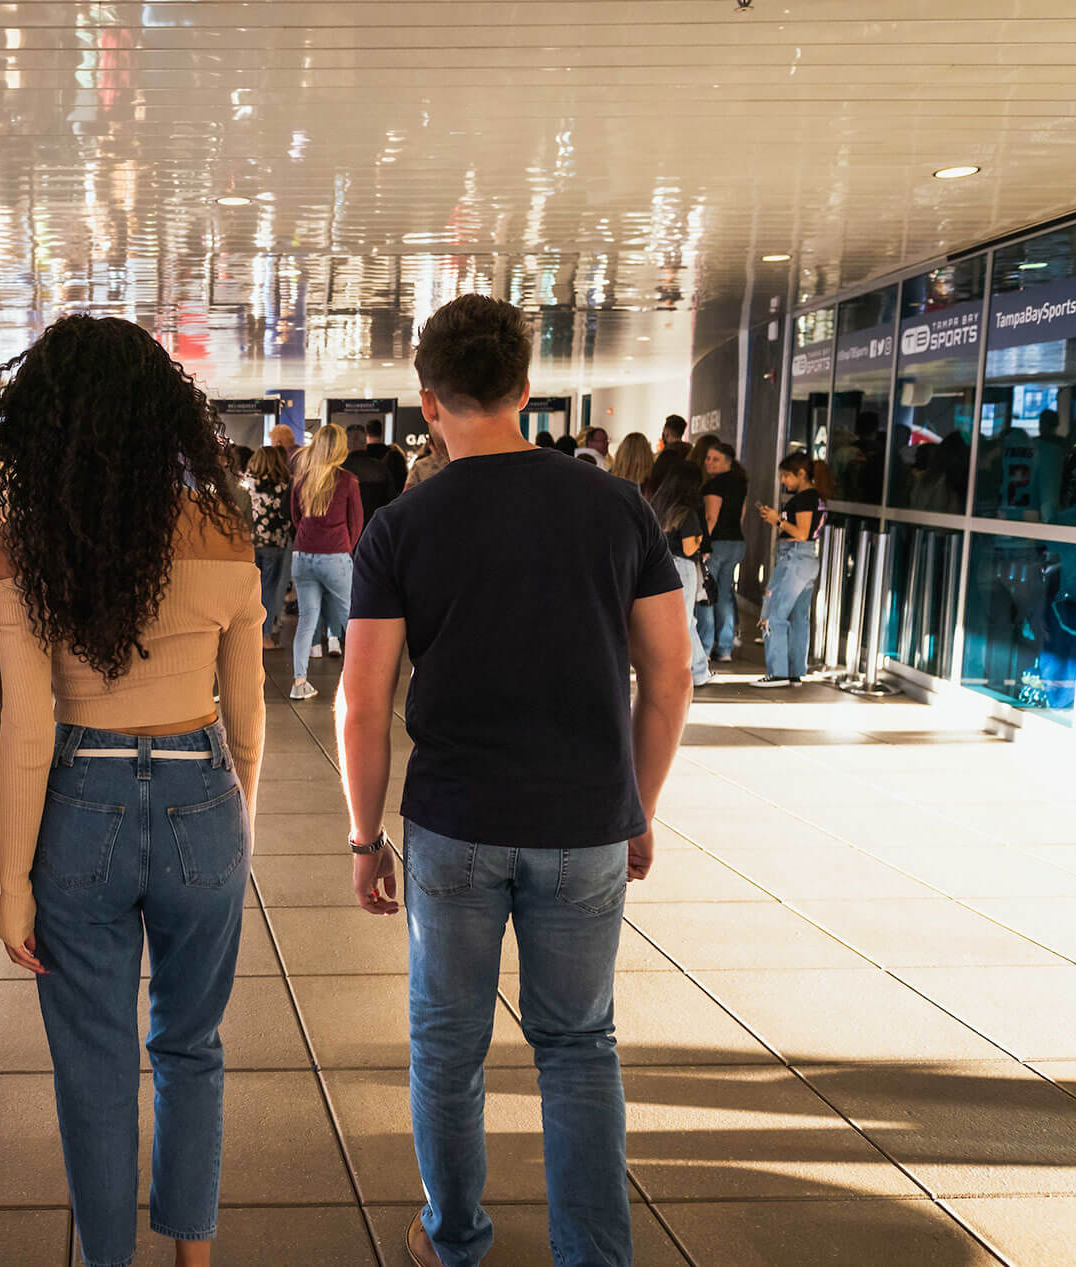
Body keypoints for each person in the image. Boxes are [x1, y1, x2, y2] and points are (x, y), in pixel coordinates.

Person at [336, 295, 693, 1267]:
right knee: (578, 1048)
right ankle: (593, 1255)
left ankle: (454, 1239)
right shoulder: (614, 506)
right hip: (584, 821)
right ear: (526, 391)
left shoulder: (403, 525)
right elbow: (669, 675)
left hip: (453, 821)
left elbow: (361, 703)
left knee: (446, 1048)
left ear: (425, 403)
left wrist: (366, 837)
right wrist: (638, 804)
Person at [0, 314, 263, 1267]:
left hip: (81, 806)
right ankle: (196, 1261)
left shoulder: (26, 545)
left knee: (94, 1072)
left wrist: (12, 879)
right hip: (201, 794)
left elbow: (26, 728)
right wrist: (239, 818)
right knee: (192, 1047)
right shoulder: (225, 529)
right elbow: (249, 714)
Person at [288, 423, 363, 700]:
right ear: (341, 448)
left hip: (303, 555)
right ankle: (359, 679)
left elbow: (296, 519)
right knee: (350, 619)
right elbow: (356, 523)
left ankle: (299, 682)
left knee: (306, 620)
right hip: (335, 556)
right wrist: (344, 549)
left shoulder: (301, 478)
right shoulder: (347, 480)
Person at [753, 451, 827, 687]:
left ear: (801, 474)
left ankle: (778, 674)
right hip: (804, 560)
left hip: (794, 558)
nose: (783, 481)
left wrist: (777, 520)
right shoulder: (815, 498)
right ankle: (795, 671)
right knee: (799, 618)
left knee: (774, 613)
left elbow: (801, 533)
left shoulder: (805, 498)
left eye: (786, 476)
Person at [648, 462, 713, 686]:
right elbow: (689, 548)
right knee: (685, 620)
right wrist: (700, 539)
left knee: (670, 620)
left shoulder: (657, 506)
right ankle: (698, 671)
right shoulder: (687, 512)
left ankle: (688, 668)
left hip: (659, 566)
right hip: (682, 568)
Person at [700, 440, 748, 661]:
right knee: (725, 594)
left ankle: (705, 646)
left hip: (716, 544)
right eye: (708, 458)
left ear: (728, 462)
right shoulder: (740, 483)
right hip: (736, 542)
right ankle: (725, 647)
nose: (709, 462)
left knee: (707, 594)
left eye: (715, 459)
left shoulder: (714, 485)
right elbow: (741, 515)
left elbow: (711, 517)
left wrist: (703, 545)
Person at [246, 444, 293, 649]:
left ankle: (246, 634)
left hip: (248, 543)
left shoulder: (247, 483)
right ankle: (264, 636)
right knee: (270, 590)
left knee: (249, 591)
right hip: (276, 543)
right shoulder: (285, 485)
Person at [342, 423, 395, 525]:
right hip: (376, 527)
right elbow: (391, 501)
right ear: (365, 442)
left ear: (346, 444)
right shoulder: (380, 468)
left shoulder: (339, 470)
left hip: (348, 531)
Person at [364, 419, 409, 491]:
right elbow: (402, 481)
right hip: (390, 499)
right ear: (382, 432)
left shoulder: (361, 456)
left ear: (366, 433)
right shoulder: (394, 454)